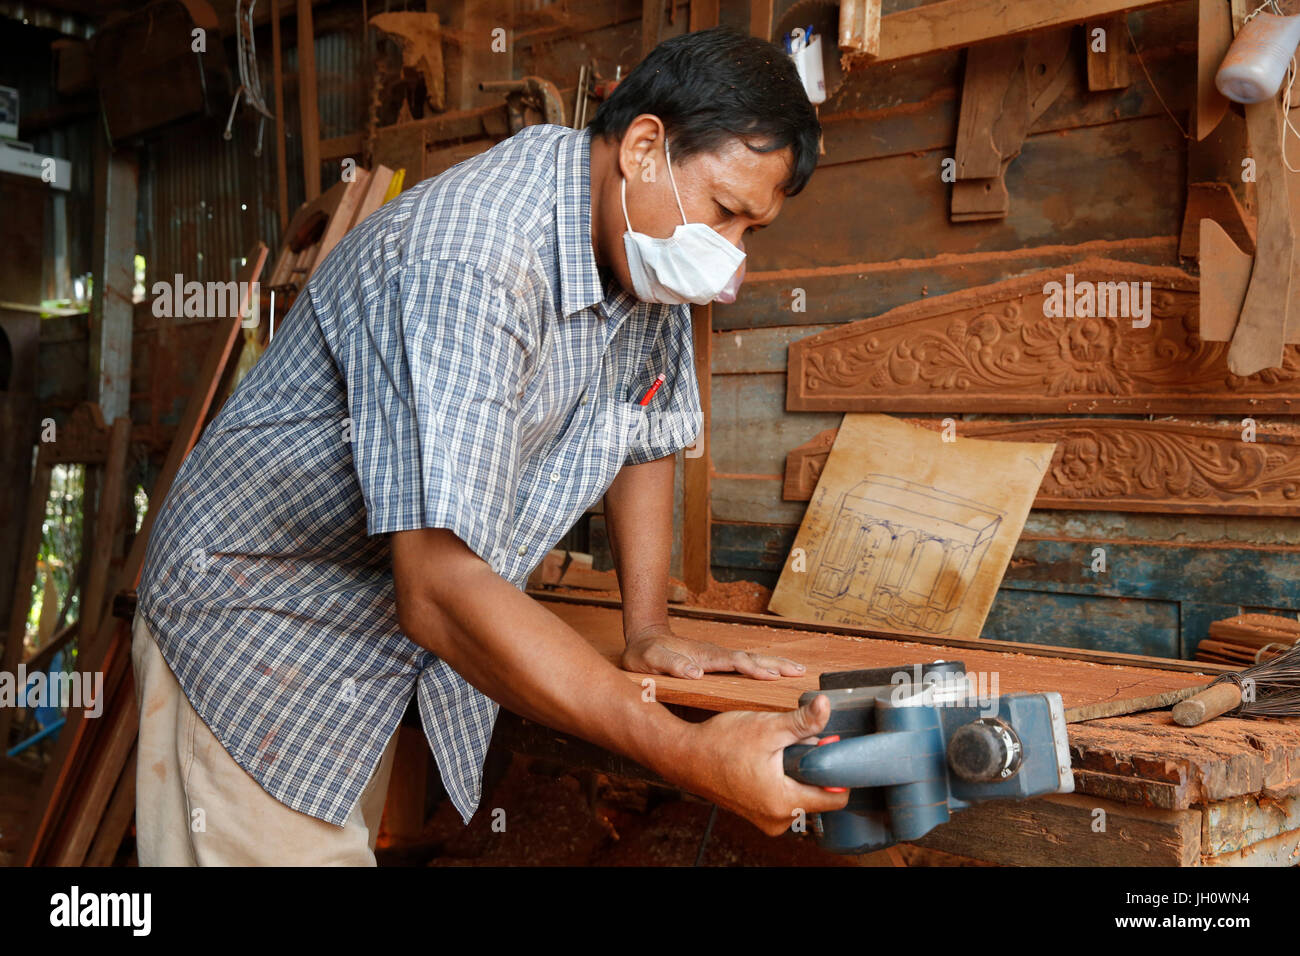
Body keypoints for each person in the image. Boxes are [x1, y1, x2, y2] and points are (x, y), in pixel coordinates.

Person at [131, 25, 847, 865]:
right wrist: (687, 753)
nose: (729, 259)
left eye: (751, 232)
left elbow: (646, 424)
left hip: (363, 631)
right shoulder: (474, 256)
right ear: (645, 147)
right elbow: (438, 587)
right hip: (256, 623)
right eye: (725, 212)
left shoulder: (640, 249)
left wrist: (646, 629)